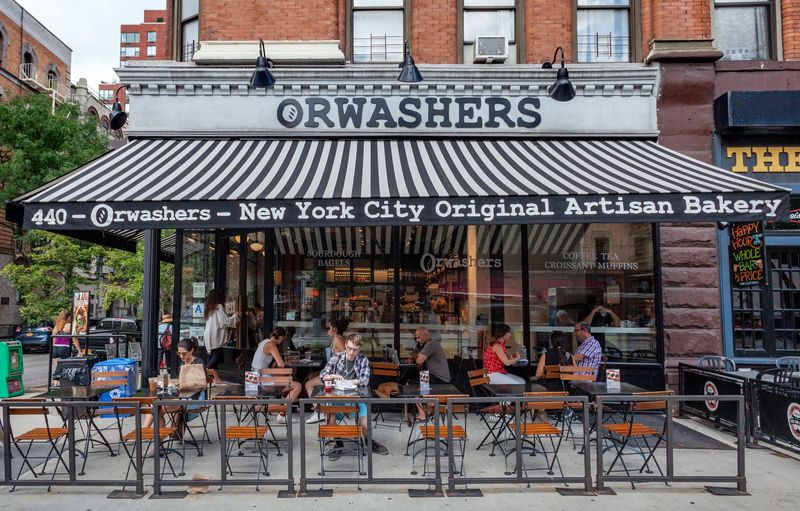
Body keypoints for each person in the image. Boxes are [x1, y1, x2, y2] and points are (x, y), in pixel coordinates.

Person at [320, 333, 388, 459]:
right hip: (337, 398)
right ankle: (338, 444)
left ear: (359, 349)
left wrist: (344, 382)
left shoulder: (363, 359)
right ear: (345, 345)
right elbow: (323, 374)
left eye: (355, 350)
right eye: (350, 348)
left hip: (356, 398)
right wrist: (333, 376)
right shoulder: (336, 357)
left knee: (365, 423)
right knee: (330, 420)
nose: (351, 352)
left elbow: (364, 380)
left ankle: (369, 441)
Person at [252, 327, 303, 424]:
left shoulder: (264, 341)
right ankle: (282, 414)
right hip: (262, 380)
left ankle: (275, 407)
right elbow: (281, 364)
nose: (281, 342)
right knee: (297, 386)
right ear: (280, 337)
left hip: (254, 378)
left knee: (287, 380)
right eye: (282, 340)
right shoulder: (272, 345)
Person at [304, 317, 350, 423]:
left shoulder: (338, 341)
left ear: (334, 329)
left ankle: (319, 411)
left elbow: (345, 359)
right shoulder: (338, 339)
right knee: (311, 376)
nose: (328, 330)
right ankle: (321, 404)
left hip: (335, 376)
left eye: (329, 328)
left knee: (308, 384)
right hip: (331, 372)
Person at [413, 327, 451, 420]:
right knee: (420, 379)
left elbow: (419, 361)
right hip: (435, 375)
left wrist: (416, 355)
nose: (417, 340)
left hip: (440, 378)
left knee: (413, 387)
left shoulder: (431, 344)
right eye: (416, 338)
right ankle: (429, 410)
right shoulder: (430, 343)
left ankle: (422, 415)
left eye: (419, 337)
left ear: (425, 336)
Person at [203, 288, 240, 384]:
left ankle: (215, 378)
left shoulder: (209, 308)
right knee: (217, 357)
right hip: (215, 335)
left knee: (214, 356)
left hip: (209, 334)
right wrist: (235, 316)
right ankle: (204, 372)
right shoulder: (218, 307)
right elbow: (224, 322)